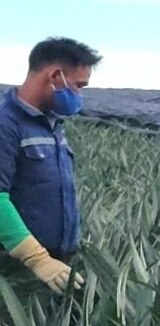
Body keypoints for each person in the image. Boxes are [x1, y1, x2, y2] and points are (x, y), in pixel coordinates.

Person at [2, 36, 101, 293]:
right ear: (56, 76)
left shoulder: (52, 124)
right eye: (79, 86)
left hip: (58, 263)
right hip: (18, 269)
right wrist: (37, 259)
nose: (79, 95)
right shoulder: (5, 123)